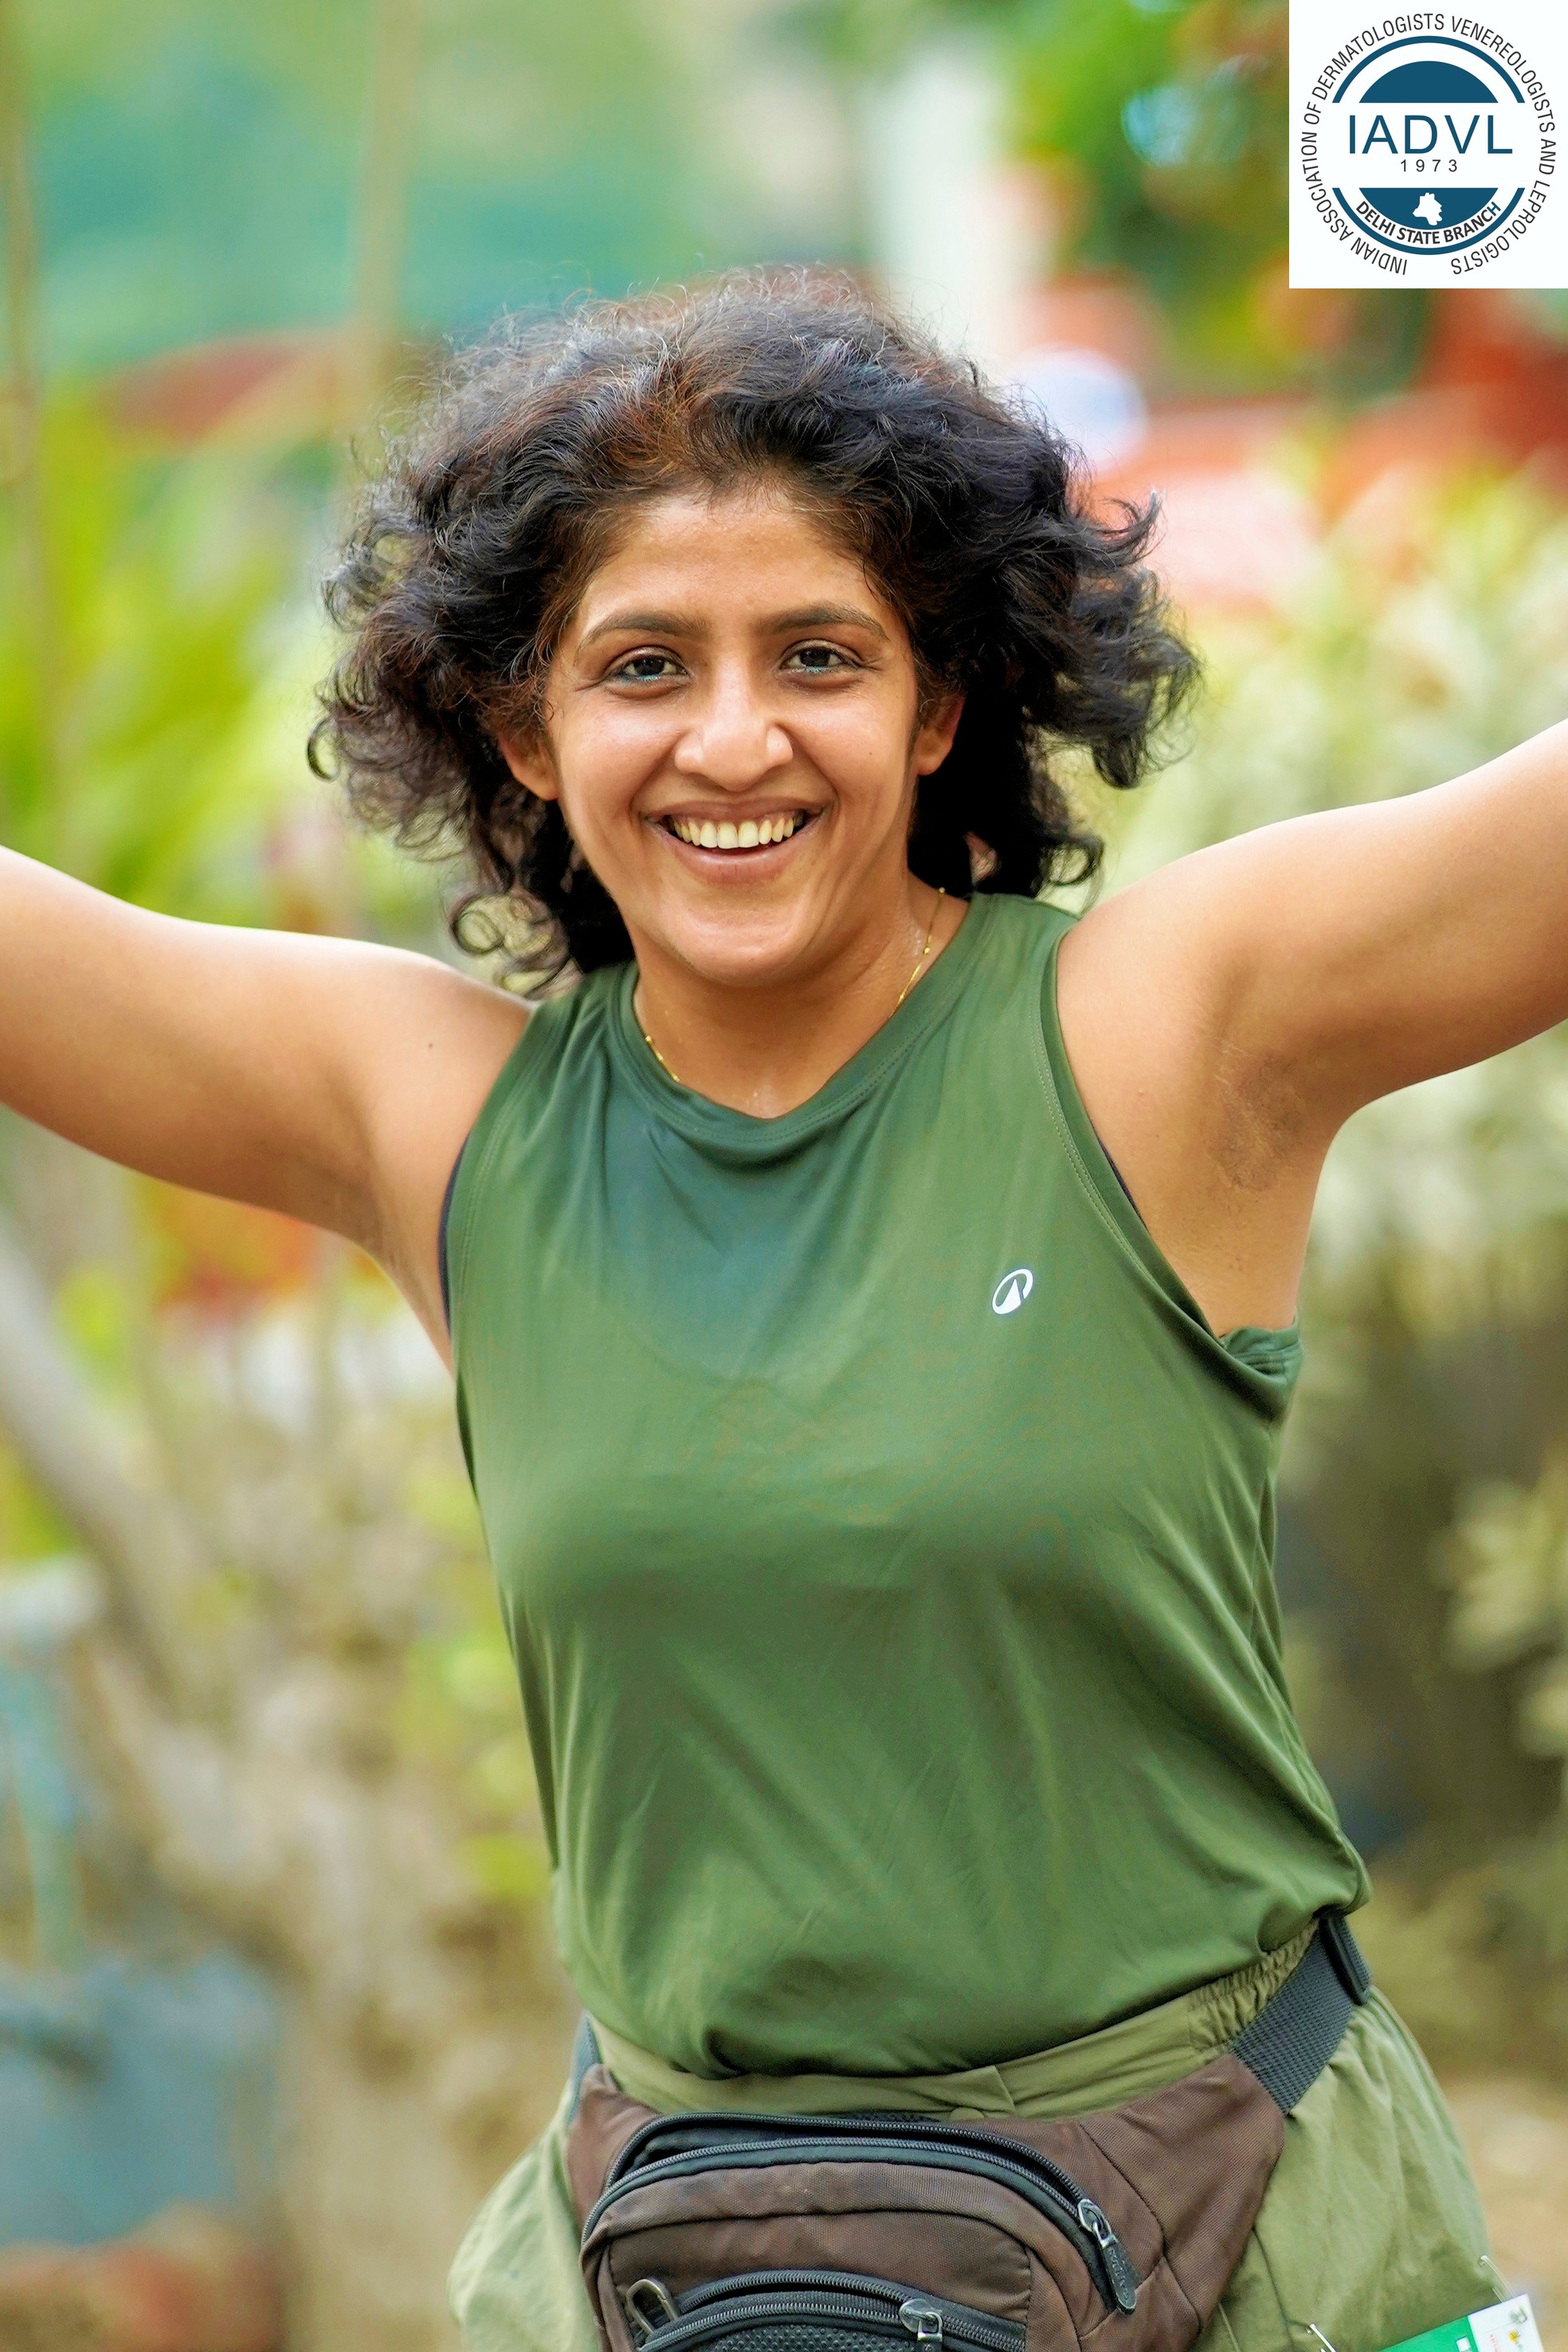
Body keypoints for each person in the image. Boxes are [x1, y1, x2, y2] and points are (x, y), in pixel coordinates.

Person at [2, 271, 1553, 2350]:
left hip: (1242, 2235)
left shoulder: (1161, 1040)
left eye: (818, 655)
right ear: (524, 731)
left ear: (936, 705)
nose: (733, 739)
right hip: (685, 2266)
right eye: (644, 665)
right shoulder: (447, 1125)